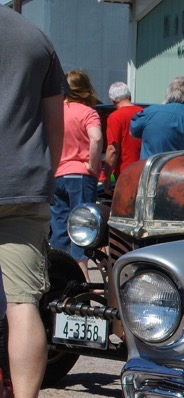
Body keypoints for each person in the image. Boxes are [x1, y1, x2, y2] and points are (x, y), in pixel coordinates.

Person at [0, 6, 66, 398]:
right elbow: (54, 127)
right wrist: (43, 178)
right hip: (24, 186)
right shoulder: (33, 36)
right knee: (23, 304)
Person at [52, 70, 102, 276]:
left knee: (60, 226)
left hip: (57, 174)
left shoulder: (54, 112)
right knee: (83, 224)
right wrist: (92, 164)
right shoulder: (87, 112)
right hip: (80, 174)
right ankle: (83, 275)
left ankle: (59, 273)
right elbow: (96, 138)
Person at [104, 81, 143, 183]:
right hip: (145, 169)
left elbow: (113, 149)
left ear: (112, 100)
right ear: (129, 96)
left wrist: (107, 175)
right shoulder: (143, 113)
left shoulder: (115, 117)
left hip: (125, 172)